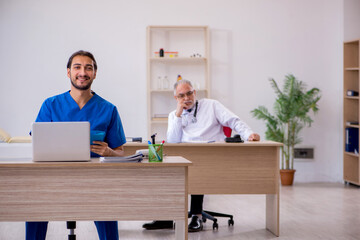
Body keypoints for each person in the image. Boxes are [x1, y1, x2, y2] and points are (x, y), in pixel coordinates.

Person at [26, 50, 126, 240]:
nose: (83, 72)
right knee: (35, 203)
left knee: (107, 206)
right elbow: (37, 144)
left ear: (95, 73)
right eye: (77, 67)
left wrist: (109, 152)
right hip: (53, 179)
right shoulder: (51, 105)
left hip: (95, 181)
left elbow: (121, 153)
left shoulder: (108, 109)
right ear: (68, 72)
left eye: (88, 68)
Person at [142, 79, 260, 232]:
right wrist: (178, 115)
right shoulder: (173, 115)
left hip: (211, 156)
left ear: (195, 92)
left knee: (196, 168)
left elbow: (233, 121)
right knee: (166, 171)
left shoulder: (212, 105)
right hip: (185, 156)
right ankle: (167, 217)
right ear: (176, 98)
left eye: (189, 93)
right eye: (181, 95)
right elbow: (173, 141)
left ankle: (197, 216)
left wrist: (249, 134)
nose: (187, 98)